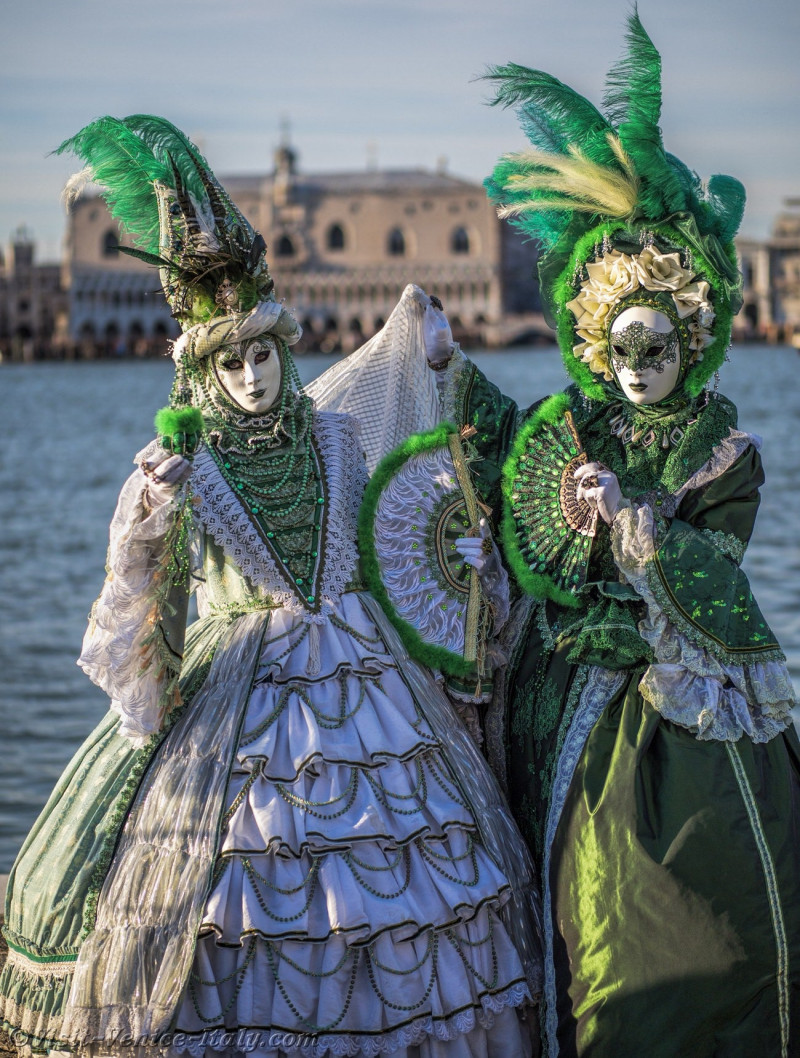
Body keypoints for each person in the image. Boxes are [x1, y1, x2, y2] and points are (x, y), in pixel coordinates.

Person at [0, 116, 540, 1058]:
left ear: (285, 351)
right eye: (231, 361)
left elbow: (392, 455)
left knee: (412, 876)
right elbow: (147, 608)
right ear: (203, 371)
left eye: (262, 356)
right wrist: (151, 520)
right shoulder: (180, 461)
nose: (250, 376)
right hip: (238, 695)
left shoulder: (331, 432)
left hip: (368, 679)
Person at [421, 12, 800, 1058]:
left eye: (657, 344)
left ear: (692, 338)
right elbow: (500, 471)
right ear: (593, 343)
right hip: (554, 693)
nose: (637, 364)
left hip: (670, 702)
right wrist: (446, 372)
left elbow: (714, 572)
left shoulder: (718, 454)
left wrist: (634, 528)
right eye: (618, 344)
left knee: (672, 903)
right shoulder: (567, 428)